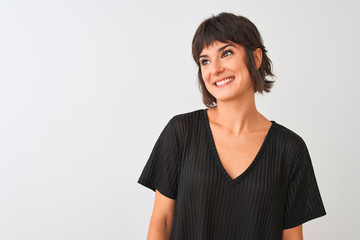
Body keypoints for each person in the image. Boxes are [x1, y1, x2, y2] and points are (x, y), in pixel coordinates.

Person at [137, 12, 326, 240]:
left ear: (255, 58)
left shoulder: (290, 149)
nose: (214, 69)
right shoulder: (181, 132)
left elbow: (292, 237)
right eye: (205, 61)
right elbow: (162, 223)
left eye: (226, 53)